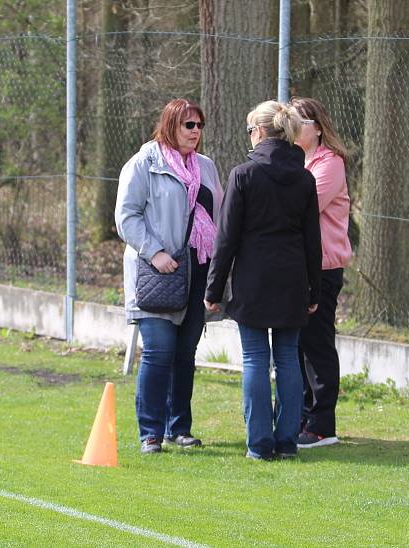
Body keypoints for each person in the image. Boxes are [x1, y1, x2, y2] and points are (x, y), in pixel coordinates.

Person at [205, 100, 322, 460]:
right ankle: (287, 441)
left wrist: (214, 287)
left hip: (253, 278)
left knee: (256, 358)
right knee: (287, 358)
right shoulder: (303, 178)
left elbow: (226, 238)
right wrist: (313, 288)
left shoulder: (243, 175)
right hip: (292, 278)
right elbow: (312, 240)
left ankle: (259, 443)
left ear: (258, 132)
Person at [115, 98, 223, 454]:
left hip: (198, 270)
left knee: (184, 354)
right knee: (159, 352)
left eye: (199, 126)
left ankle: (180, 427)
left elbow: (217, 214)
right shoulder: (144, 163)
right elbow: (127, 216)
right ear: (170, 125)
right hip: (158, 270)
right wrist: (155, 252)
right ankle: (151, 432)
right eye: (188, 125)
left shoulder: (206, 167)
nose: (195, 132)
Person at [289, 96, 352, 448]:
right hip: (297, 267)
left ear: (317, 128)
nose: (294, 128)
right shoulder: (296, 161)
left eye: (300, 121)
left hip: (324, 268)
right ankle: (297, 416)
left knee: (316, 344)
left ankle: (321, 424)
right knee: (295, 346)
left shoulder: (330, 163)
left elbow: (304, 205)